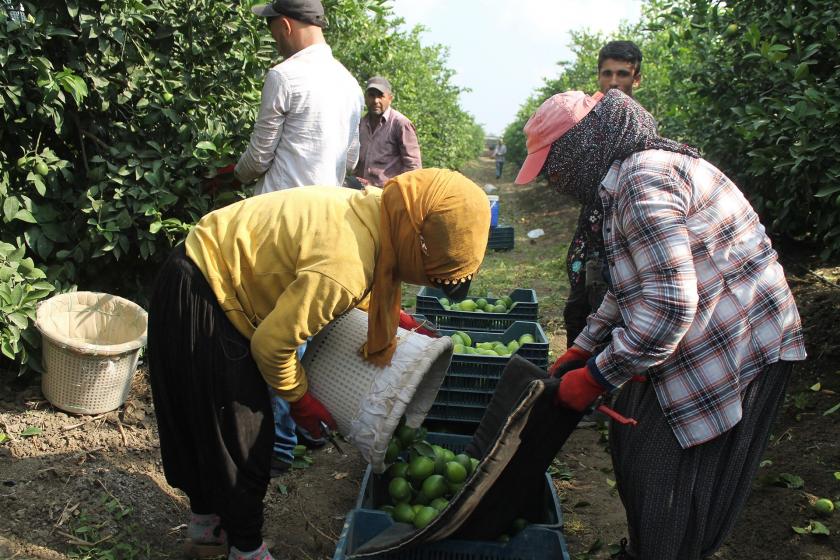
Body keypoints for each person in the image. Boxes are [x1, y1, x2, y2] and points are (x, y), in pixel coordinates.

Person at [515, 90, 806, 559]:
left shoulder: (642, 181)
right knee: (635, 447)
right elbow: (631, 281)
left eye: (555, 165)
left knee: (669, 481)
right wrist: (584, 346)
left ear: (582, 147)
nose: (554, 180)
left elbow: (669, 309)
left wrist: (594, 378)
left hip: (736, 341)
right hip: (697, 333)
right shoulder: (620, 183)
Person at [147, 169, 491, 560]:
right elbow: (273, 346)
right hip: (203, 290)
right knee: (242, 434)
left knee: (210, 421)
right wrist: (299, 400)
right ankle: (246, 549)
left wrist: (394, 314)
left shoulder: (381, 210)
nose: (425, 282)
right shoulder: (346, 264)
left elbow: (347, 280)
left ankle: (206, 529)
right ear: (419, 239)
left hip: (200, 271)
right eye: (432, 274)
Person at [560, 40, 644, 351]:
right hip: (589, 236)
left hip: (620, 239)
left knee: (609, 320)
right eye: (606, 73)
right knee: (577, 314)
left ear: (636, 79)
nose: (613, 82)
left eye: (622, 74)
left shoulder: (637, 123)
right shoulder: (585, 119)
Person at [234, 0, 364, 195]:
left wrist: (234, 175)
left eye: (275, 36)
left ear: (285, 26)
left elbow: (258, 159)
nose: (277, 45)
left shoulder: (283, 76)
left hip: (281, 210)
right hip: (326, 210)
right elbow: (351, 160)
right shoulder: (352, 85)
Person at [354, 76, 422, 187]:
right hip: (360, 193)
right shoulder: (360, 124)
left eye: (381, 96)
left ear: (390, 98)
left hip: (387, 194)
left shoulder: (400, 124)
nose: (376, 101)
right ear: (365, 98)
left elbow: (414, 167)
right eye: (371, 95)